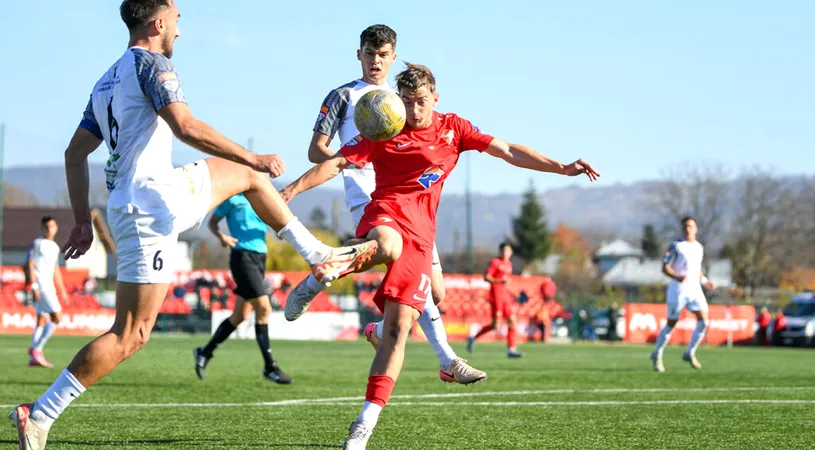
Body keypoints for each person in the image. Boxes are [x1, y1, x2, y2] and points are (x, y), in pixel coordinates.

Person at [9, 1, 377, 448]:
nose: (180, 32)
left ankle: (317, 256)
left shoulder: (106, 79)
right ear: (158, 22)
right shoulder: (154, 64)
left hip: (142, 199)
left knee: (247, 177)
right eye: (177, 21)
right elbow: (184, 126)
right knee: (131, 334)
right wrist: (253, 154)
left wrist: (84, 221)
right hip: (152, 207)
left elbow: (74, 153)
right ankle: (39, 413)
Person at [280, 62, 599, 449]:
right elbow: (336, 162)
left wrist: (561, 168)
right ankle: (318, 279)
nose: (414, 111)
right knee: (386, 245)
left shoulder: (454, 128)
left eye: (421, 102)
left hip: (422, 235)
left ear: (436, 98)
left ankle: (364, 420)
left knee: (400, 330)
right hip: (383, 213)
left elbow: (508, 150)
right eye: (408, 102)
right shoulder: (385, 128)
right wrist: (293, 189)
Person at [294, 24, 484, 385]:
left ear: (393, 57)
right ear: (358, 55)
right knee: (403, 265)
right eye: (369, 53)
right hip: (369, 198)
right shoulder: (343, 96)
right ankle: (447, 358)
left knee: (436, 292)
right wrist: (352, 160)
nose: (375, 61)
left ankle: (379, 331)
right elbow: (315, 151)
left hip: (412, 203)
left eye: (383, 55)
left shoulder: (405, 99)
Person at [193, 194, 292, 384]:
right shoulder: (232, 199)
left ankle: (204, 352)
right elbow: (212, 223)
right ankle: (270, 366)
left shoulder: (261, 196)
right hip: (242, 257)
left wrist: (281, 230)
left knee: (240, 315)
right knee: (264, 308)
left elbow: (273, 220)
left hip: (260, 258)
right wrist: (222, 237)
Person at [650, 216, 715, 372]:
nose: (688, 229)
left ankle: (689, 352)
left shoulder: (699, 247)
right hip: (678, 290)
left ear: (696, 228)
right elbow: (665, 267)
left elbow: (696, 270)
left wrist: (705, 281)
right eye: (685, 226)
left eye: (691, 226)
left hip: (695, 289)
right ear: (682, 228)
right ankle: (657, 354)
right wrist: (676, 277)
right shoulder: (676, 246)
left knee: (704, 322)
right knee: (671, 324)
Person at [27, 217, 70, 368]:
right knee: (57, 317)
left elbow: (55, 269)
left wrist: (62, 290)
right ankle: (36, 350)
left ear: (56, 227)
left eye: (51, 226)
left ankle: (33, 359)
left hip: (49, 286)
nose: (49, 229)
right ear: (42, 228)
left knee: (41, 319)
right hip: (41, 286)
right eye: (46, 227)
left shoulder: (55, 247)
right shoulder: (38, 244)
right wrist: (34, 286)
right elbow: (30, 264)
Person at [467, 243, 522, 357]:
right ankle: (473, 338)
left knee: (512, 320)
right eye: (504, 251)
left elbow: (505, 282)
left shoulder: (509, 264)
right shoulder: (495, 262)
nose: (506, 253)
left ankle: (511, 349)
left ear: (511, 252)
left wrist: (512, 293)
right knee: (495, 326)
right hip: (496, 295)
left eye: (508, 251)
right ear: (500, 251)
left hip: (505, 296)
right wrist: (498, 281)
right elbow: (486, 277)